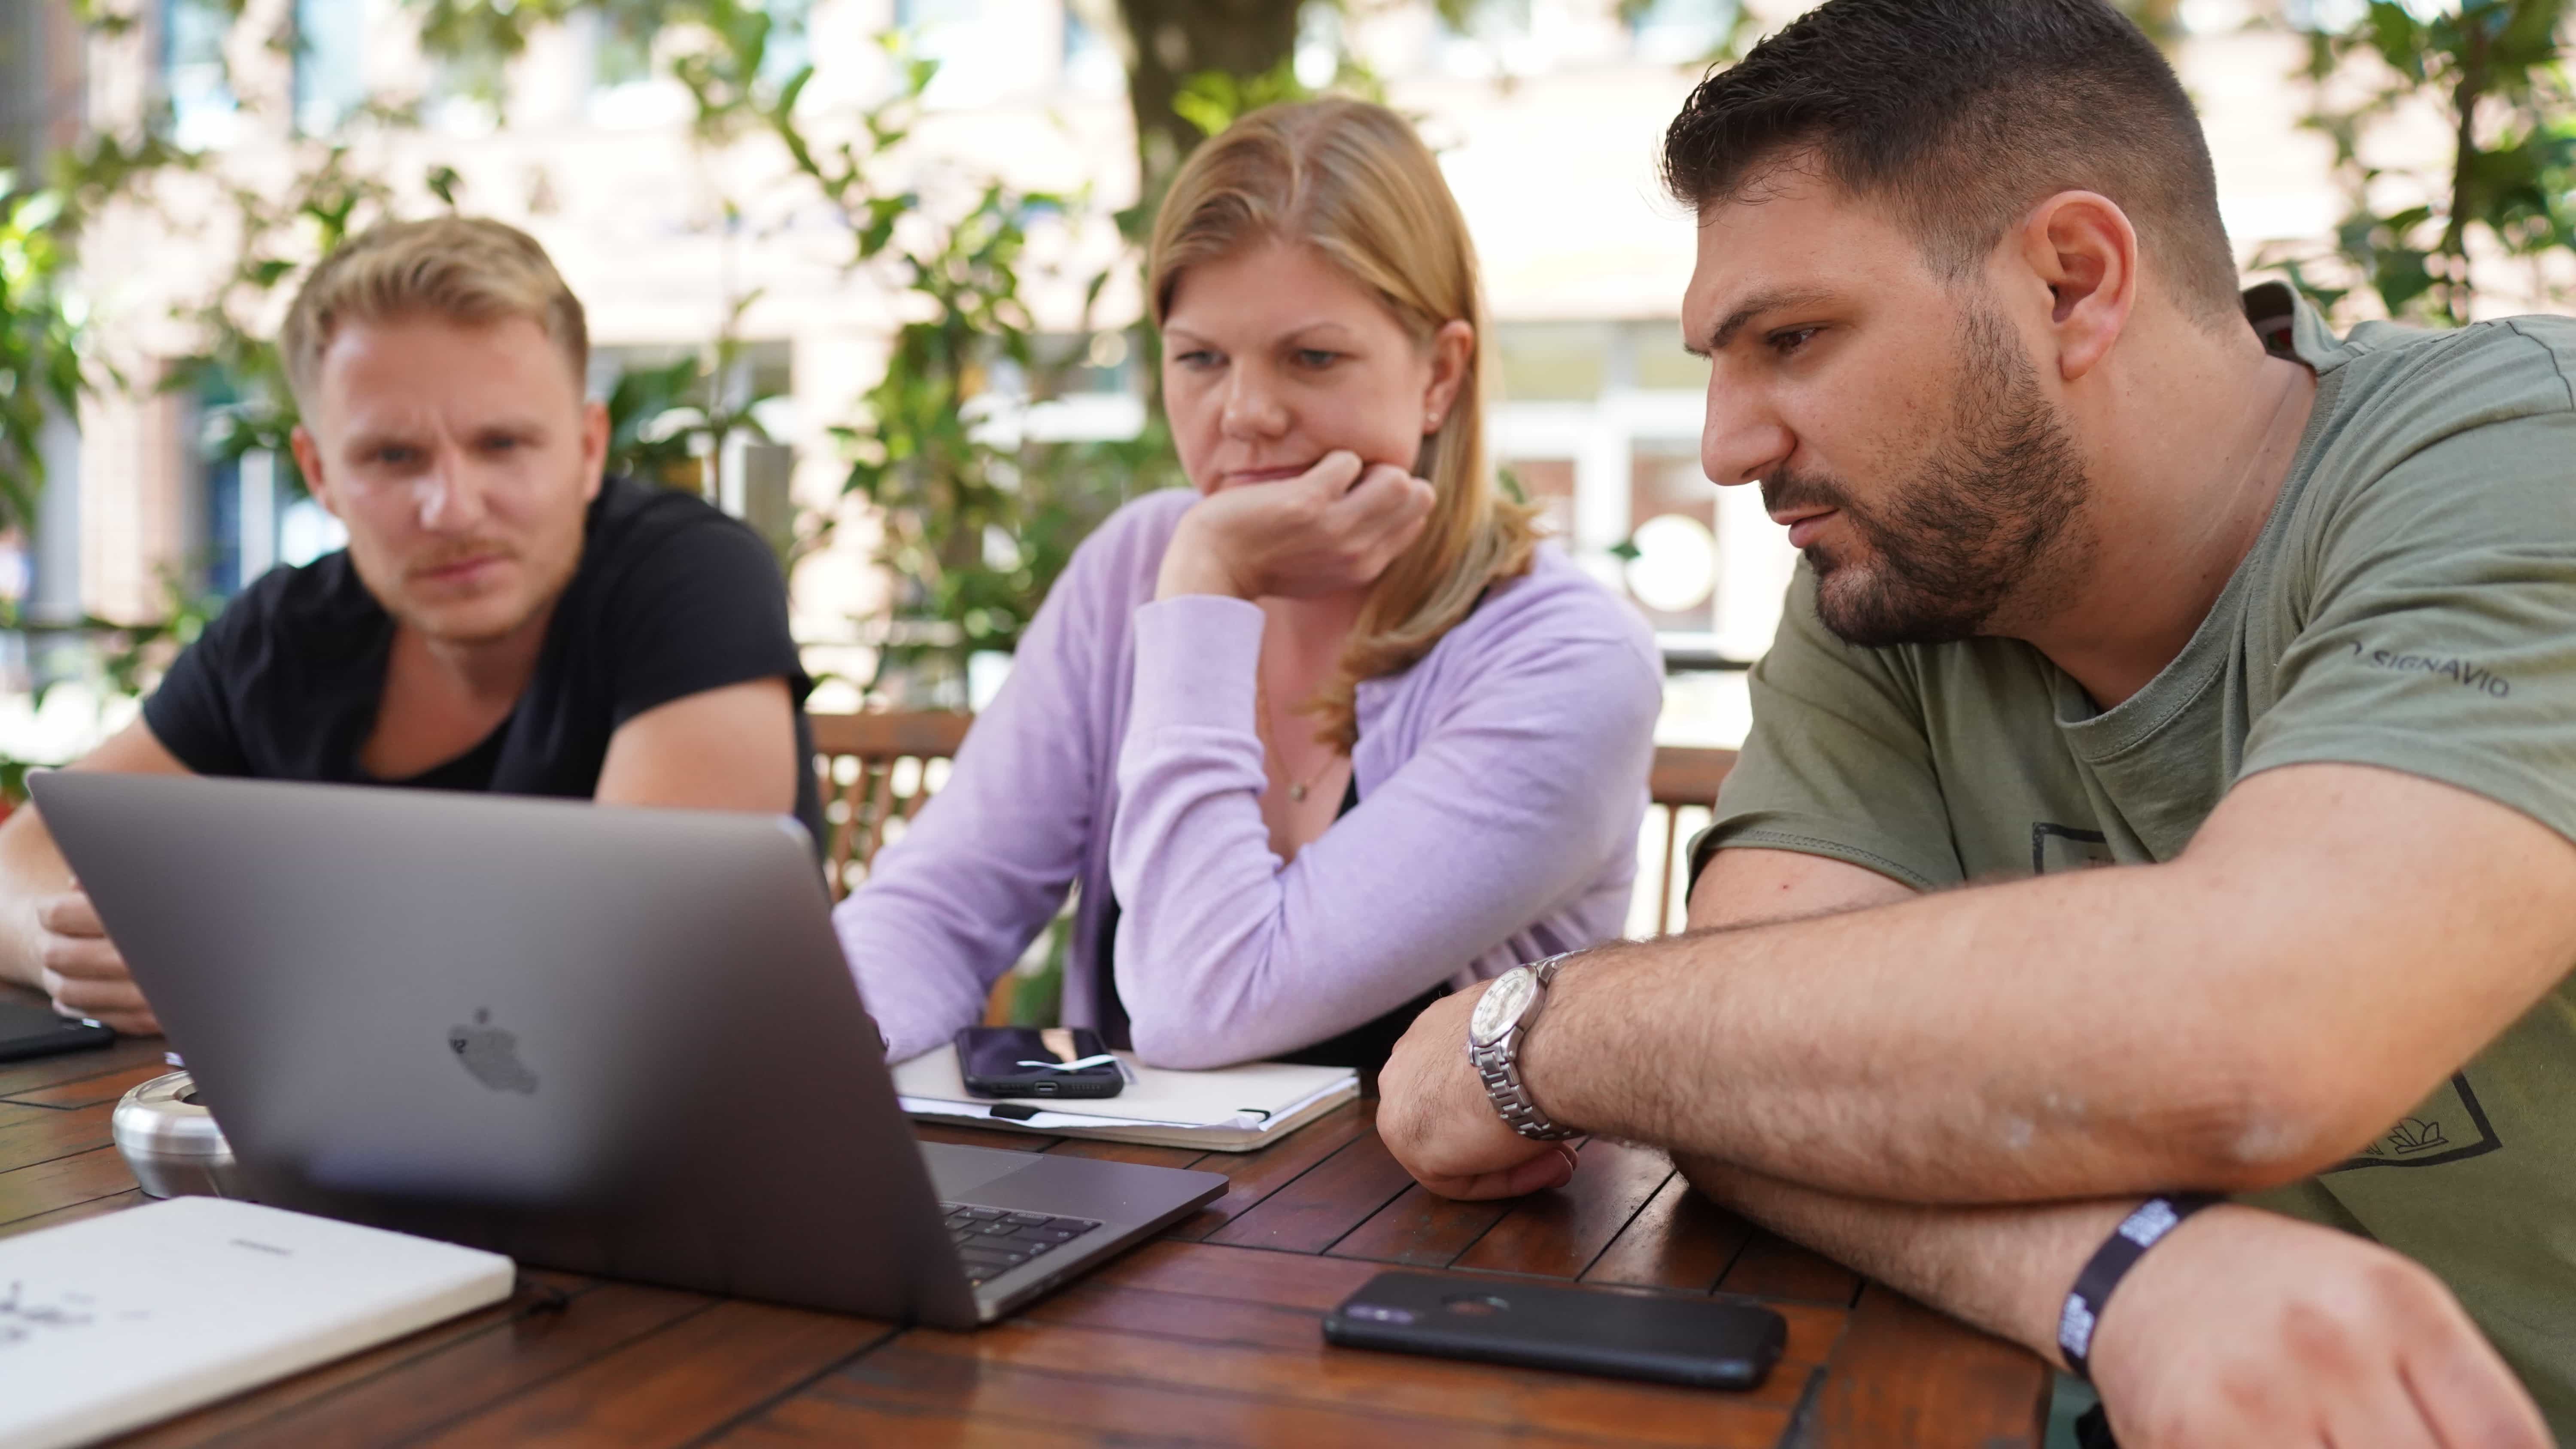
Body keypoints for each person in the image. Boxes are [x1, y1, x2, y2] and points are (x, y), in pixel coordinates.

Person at [1373, 2, 2574, 1445]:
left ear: (2073, 281)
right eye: (1717, 361)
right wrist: (2129, 1279)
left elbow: (2257, 1030)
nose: (1727, 444)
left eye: (1794, 338)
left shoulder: (2515, 457)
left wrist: (1537, 1028)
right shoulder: (1899, 577)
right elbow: (1738, 1081)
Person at [836, 99, 1660, 1072]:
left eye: (1312, 357)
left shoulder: (1568, 661)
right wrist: (787, 1055)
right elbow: (942, 905)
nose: (1247, 413)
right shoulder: (1135, 562)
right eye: (1200, 359)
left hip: (1435, 1223)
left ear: (1440, 374)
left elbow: (1201, 1003)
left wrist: (1208, 588)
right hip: (1129, 1201)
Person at [0, 217, 819, 1037]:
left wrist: (239, 951)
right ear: (320, 472)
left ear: (589, 446)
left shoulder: (690, 577)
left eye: (502, 444)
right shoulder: (285, 632)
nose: (453, 509)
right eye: (394, 457)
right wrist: (67, 948)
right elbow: (19, 864)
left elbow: (642, 951)